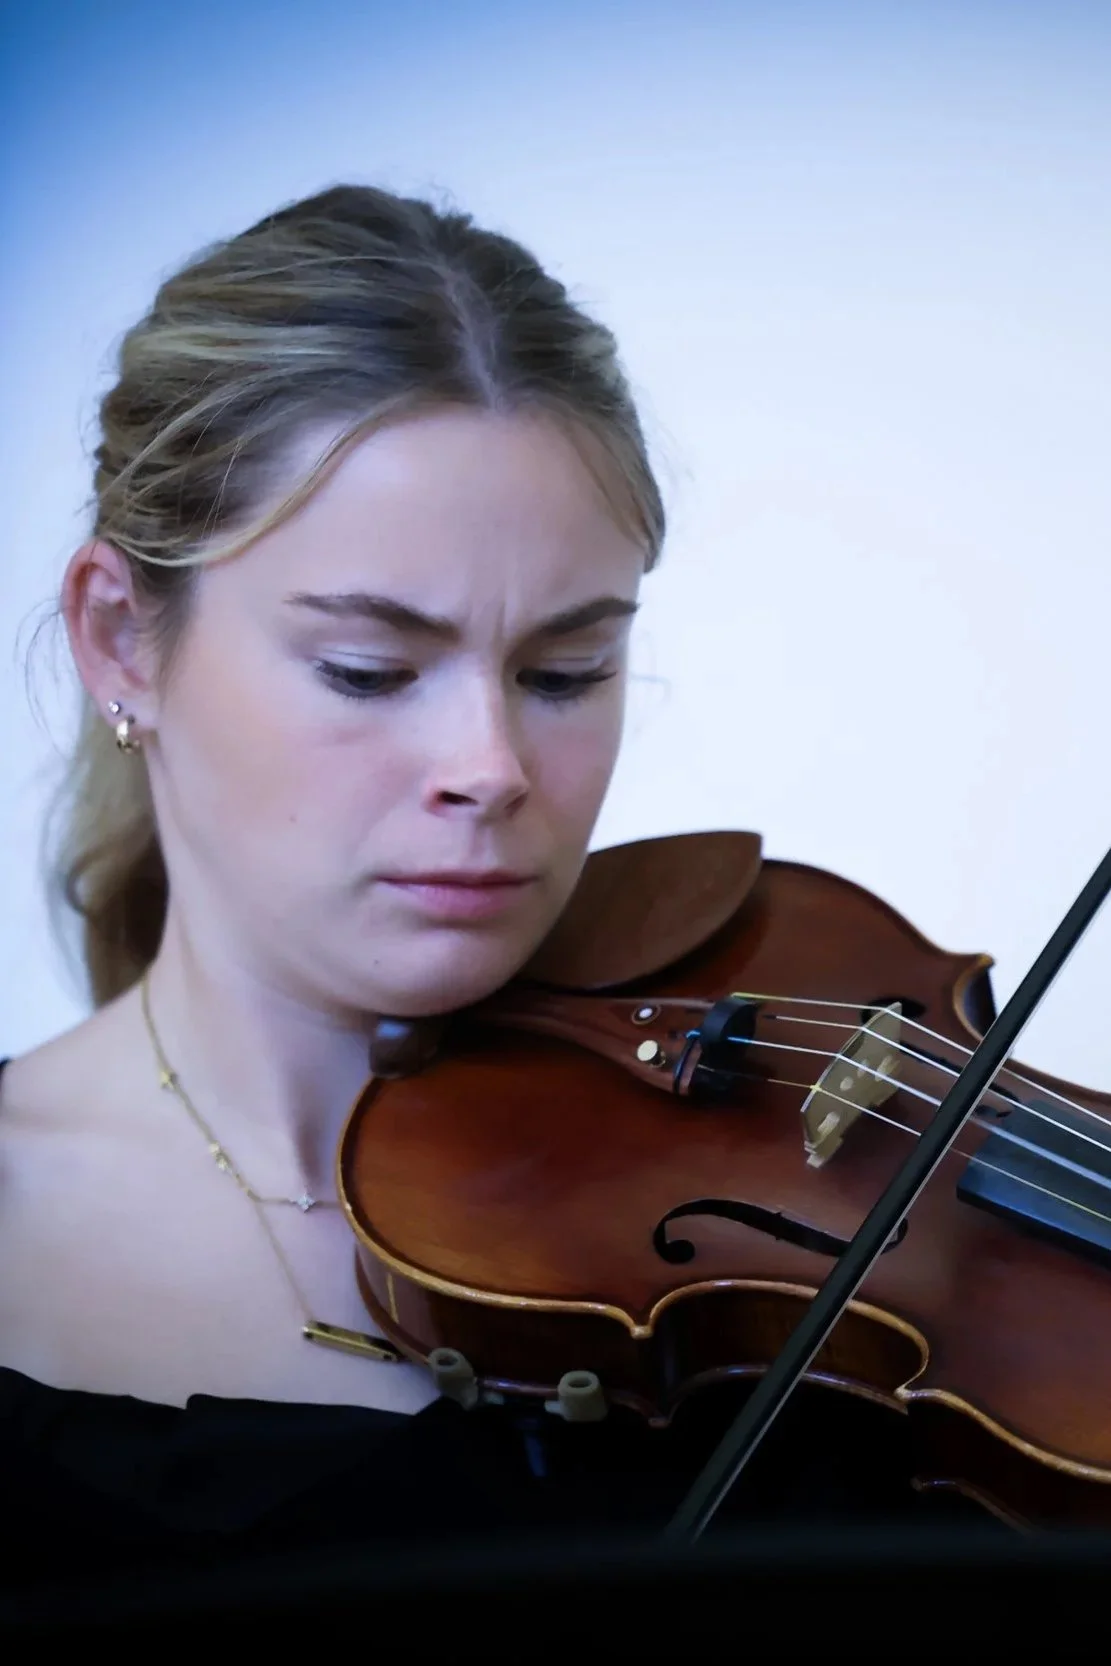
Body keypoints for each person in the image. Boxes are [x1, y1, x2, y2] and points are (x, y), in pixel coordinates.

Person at [0, 184, 986, 1600]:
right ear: (119, 639)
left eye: (563, 671)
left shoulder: (843, 1202)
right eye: (367, 670)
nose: (492, 766)